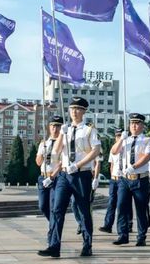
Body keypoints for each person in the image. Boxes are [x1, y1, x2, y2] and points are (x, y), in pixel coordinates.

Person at [38, 97, 101, 258]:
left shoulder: (89, 130)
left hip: (81, 174)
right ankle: (54, 246)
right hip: (65, 175)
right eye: (72, 108)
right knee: (57, 209)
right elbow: (56, 152)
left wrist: (78, 164)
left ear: (84, 111)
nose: (74, 112)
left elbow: (95, 151)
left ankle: (87, 245)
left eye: (78, 109)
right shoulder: (65, 130)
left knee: (83, 210)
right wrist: (61, 135)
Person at [111, 113, 150, 247]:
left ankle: (141, 236)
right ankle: (123, 235)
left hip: (140, 179)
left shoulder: (147, 140)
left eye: (137, 123)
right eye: (131, 123)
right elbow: (113, 152)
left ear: (142, 125)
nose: (134, 126)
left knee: (141, 209)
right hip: (124, 179)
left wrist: (134, 167)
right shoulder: (126, 140)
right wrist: (121, 140)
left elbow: (148, 156)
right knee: (121, 207)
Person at [36, 115, 63, 222]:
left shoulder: (62, 144)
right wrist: (41, 153)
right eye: (52, 125)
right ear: (49, 127)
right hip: (43, 177)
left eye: (57, 126)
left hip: (55, 177)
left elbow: (62, 164)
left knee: (53, 207)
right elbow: (38, 163)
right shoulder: (44, 143)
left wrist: (52, 177)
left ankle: (53, 230)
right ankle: (53, 225)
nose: (54, 128)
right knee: (42, 206)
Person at [99, 128, 123, 234]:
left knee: (123, 204)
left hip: (124, 179)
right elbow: (111, 165)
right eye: (117, 136)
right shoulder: (113, 150)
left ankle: (128, 224)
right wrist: (113, 176)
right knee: (111, 202)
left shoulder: (128, 148)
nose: (118, 138)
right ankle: (108, 225)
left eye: (120, 136)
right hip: (114, 179)